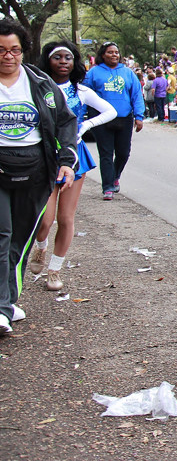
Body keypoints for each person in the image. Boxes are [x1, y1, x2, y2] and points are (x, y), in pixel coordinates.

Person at [0, 19, 77, 334]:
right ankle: (2, 309)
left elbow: (65, 122)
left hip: (35, 172)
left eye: (15, 50)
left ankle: (7, 301)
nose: (8, 57)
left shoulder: (41, 84)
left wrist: (67, 161)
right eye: (2, 50)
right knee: (2, 235)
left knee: (20, 239)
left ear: (24, 50)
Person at [30, 41, 116, 291]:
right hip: (44, 157)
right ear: (47, 61)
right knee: (44, 220)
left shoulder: (82, 91)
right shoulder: (37, 88)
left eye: (68, 57)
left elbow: (109, 111)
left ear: (74, 62)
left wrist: (85, 126)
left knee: (65, 218)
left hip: (74, 158)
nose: (63, 61)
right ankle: (41, 247)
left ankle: (55, 270)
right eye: (57, 57)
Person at [83, 41, 145, 200]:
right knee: (106, 153)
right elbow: (84, 95)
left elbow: (136, 94)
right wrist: (79, 118)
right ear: (103, 55)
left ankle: (115, 175)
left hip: (124, 118)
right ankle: (108, 187)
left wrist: (139, 116)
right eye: (110, 52)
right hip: (101, 118)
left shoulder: (128, 73)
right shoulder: (93, 73)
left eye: (116, 52)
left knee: (123, 153)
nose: (114, 55)